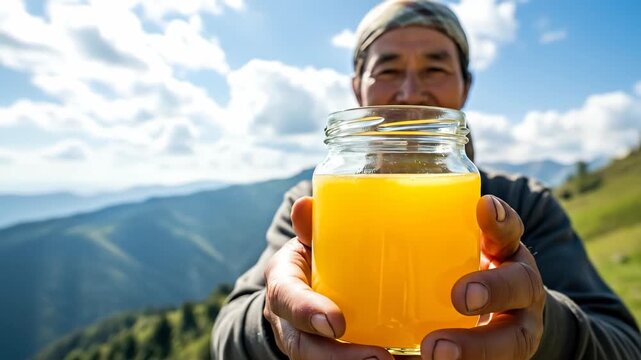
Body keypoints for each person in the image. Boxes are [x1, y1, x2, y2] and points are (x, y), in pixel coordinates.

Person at [211, 1, 641, 359]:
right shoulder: (311, 202)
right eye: (389, 70)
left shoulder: (523, 203)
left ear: (465, 87)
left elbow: (626, 344)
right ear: (357, 88)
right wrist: (273, 325)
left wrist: (546, 325)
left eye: (435, 69)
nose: (411, 92)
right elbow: (226, 336)